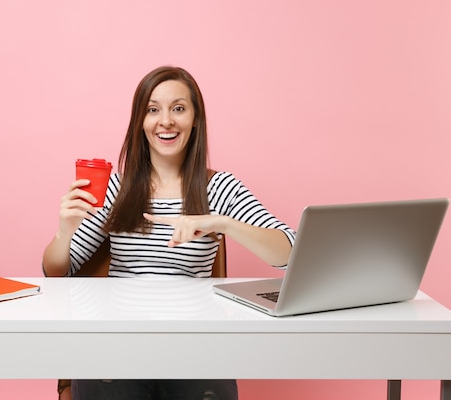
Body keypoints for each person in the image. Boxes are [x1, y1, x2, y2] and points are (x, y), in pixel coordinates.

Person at [43, 66, 296, 400]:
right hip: (118, 348)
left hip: (194, 348)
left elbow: (290, 252)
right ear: (140, 123)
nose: (166, 121)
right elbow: (58, 270)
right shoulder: (116, 189)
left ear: (195, 119)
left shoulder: (218, 188)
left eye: (178, 108)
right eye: (153, 109)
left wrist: (221, 223)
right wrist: (65, 230)